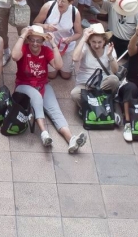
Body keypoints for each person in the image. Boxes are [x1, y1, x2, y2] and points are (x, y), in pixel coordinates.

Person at [12, 25, 86, 153]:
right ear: (29, 40)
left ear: (42, 41)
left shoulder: (46, 50)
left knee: (55, 110)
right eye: (32, 40)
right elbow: (14, 56)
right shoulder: (24, 48)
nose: (35, 43)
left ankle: (71, 139)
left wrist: (53, 43)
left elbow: (58, 65)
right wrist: (23, 35)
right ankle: (44, 132)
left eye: (39, 40)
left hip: (42, 84)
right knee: (36, 96)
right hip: (23, 85)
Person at [33, 0, 82, 79]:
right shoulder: (48, 6)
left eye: (63, 1)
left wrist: (70, 39)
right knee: (51, 75)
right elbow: (35, 23)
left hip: (66, 46)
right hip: (49, 45)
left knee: (66, 76)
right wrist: (45, 26)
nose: (59, 3)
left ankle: (64, 65)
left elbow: (79, 33)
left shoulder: (75, 12)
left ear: (70, 2)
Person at [70, 25, 119, 109]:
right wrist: (83, 39)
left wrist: (110, 56)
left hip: (102, 84)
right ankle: (96, 107)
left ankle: (95, 104)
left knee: (114, 80)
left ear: (104, 41)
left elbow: (115, 70)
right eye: (93, 42)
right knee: (75, 94)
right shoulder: (85, 47)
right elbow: (75, 58)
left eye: (99, 42)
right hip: (85, 84)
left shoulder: (109, 48)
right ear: (89, 40)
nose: (96, 45)